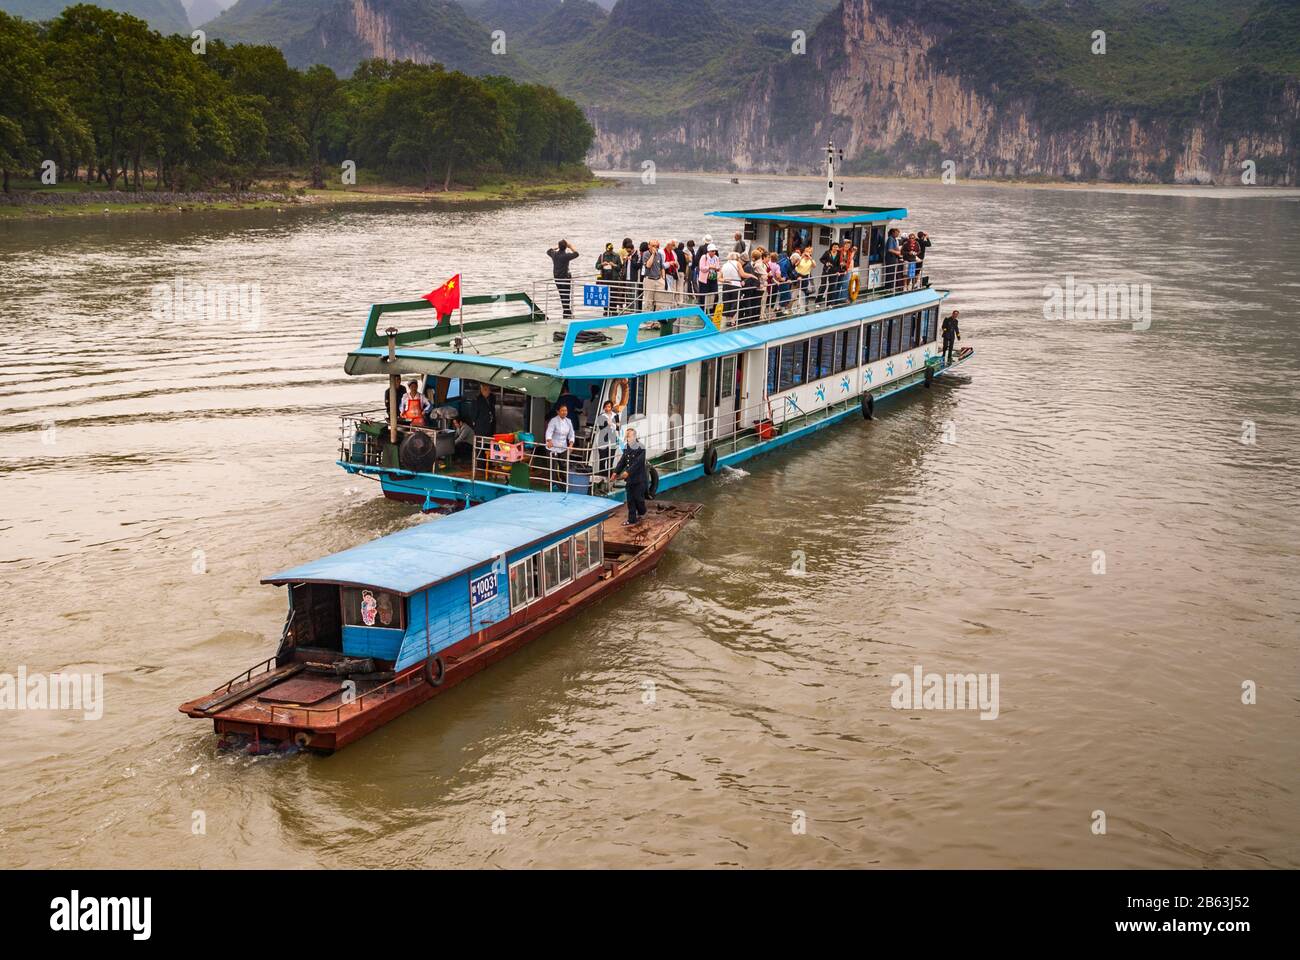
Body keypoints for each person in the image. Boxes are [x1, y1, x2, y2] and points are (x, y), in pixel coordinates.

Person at [608, 427, 648, 526]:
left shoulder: (641, 447)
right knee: (630, 499)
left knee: (639, 499)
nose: (627, 438)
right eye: (626, 436)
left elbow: (638, 463)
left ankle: (642, 511)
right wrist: (615, 472)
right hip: (630, 479)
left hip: (639, 479)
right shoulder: (626, 447)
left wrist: (628, 472)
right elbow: (622, 461)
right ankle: (632, 519)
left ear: (634, 436)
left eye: (628, 436)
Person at [544, 402, 576, 490]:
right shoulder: (553, 421)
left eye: (565, 410)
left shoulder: (568, 421)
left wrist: (571, 444)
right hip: (553, 447)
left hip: (563, 447)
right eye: (562, 410)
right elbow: (549, 431)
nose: (564, 412)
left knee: (564, 466)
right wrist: (549, 440)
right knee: (553, 467)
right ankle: (554, 485)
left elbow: (571, 433)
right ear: (558, 412)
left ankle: (564, 484)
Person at [547, 239, 580, 319]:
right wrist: (571, 247)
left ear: (559, 246)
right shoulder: (566, 256)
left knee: (562, 295)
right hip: (565, 278)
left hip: (557, 278)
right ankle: (566, 312)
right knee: (566, 295)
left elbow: (548, 251)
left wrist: (557, 247)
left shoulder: (554, 254)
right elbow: (576, 254)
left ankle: (566, 311)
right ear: (565, 247)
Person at [593, 399, 621, 474]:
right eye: (605, 406)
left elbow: (618, 427)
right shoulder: (601, 416)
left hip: (613, 438)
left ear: (611, 407)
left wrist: (611, 424)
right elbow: (602, 427)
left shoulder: (616, 415)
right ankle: (602, 475)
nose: (607, 408)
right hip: (603, 439)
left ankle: (609, 475)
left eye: (609, 406)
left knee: (611, 459)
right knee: (602, 459)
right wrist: (610, 424)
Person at [641, 240, 668, 312]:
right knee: (648, 302)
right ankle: (648, 321)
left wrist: (663, 279)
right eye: (653, 246)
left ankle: (657, 321)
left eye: (657, 246)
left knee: (659, 303)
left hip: (659, 280)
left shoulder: (659, 255)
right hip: (649, 280)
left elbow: (662, 267)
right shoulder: (645, 254)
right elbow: (648, 265)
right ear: (649, 246)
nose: (655, 248)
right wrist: (653, 254)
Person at [596, 242, 621, 315]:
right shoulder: (602, 256)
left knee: (614, 295)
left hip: (614, 279)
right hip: (605, 279)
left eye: (611, 250)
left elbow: (620, 268)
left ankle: (613, 310)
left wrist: (614, 265)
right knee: (605, 295)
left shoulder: (616, 256)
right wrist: (602, 264)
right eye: (608, 250)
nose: (610, 251)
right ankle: (606, 310)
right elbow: (596, 266)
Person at [696, 243, 721, 314]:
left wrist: (717, 268)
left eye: (714, 251)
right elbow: (701, 268)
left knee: (715, 295)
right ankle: (702, 311)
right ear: (709, 251)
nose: (714, 252)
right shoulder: (704, 257)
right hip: (704, 280)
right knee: (703, 296)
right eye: (712, 251)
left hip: (713, 278)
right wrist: (710, 267)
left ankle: (712, 311)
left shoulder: (716, 258)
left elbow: (718, 266)